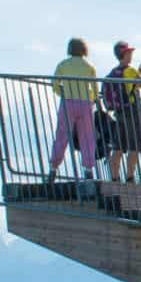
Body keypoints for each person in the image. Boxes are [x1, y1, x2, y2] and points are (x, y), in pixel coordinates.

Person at [46, 37, 99, 180]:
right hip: (85, 104)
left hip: (68, 102)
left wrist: (61, 93)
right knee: (87, 136)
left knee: (62, 135)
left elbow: (55, 85)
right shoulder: (89, 66)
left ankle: (53, 168)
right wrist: (93, 99)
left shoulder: (63, 65)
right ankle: (88, 169)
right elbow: (94, 87)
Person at [101, 40, 141, 184]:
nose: (131, 54)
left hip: (119, 113)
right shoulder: (130, 71)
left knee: (118, 147)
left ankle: (114, 178)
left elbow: (128, 80)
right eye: (129, 52)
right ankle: (130, 178)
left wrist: (139, 72)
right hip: (133, 112)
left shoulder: (113, 73)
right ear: (125, 54)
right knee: (134, 146)